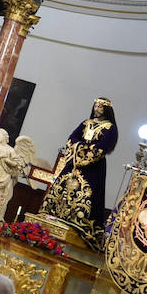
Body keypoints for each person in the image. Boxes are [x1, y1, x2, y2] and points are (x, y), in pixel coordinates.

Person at [42, 97, 118, 249]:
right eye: (95, 106)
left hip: (94, 165)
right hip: (75, 162)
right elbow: (72, 137)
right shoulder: (86, 123)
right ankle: (54, 215)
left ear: (107, 110)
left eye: (100, 107)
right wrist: (79, 148)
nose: (97, 109)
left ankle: (79, 225)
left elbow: (104, 146)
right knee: (62, 186)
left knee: (88, 192)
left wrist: (85, 151)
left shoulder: (110, 128)